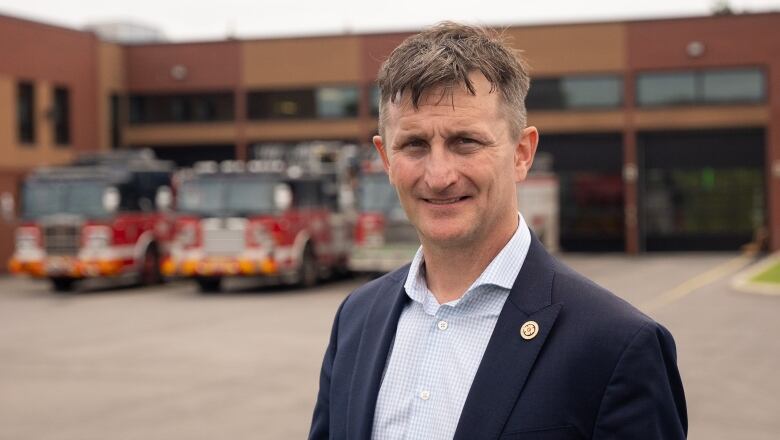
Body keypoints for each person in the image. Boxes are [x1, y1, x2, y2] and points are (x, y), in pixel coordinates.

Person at [309, 22, 687, 439]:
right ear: (385, 157)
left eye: (465, 142)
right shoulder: (356, 320)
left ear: (522, 154)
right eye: (414, 145)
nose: (438, 176)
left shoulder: (617, 345)